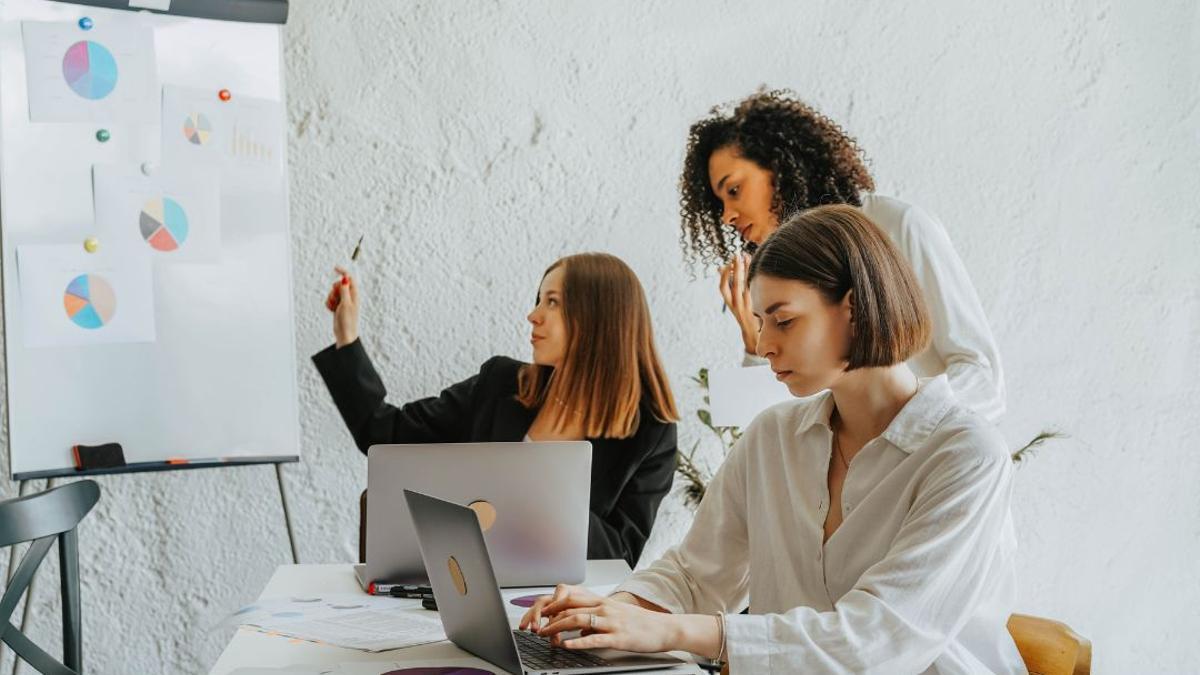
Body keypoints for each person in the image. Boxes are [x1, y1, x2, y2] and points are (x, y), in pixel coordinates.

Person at [521, 206, 1025, 674]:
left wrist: (671, 630)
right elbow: (698, 575)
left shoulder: (965, 456)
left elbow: (876, 642)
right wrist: (612, 610)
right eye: (760, 323)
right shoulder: (773, 437)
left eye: (783, 320)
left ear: (854, 307)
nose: (763, 345)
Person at [312, 252, 680, 567]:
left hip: (556, 610)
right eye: (539, 299)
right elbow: (383, 434)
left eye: (552, 302)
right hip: (462, 586)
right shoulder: (500, 384)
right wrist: (347, 337)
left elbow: (621, 557)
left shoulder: (651, 433)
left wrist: (540, 488)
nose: (533, 315)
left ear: (600, 319)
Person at [680, 89, 1006, 421]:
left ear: (780, 167)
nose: (726, 216)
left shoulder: (899, 227)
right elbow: (771, 428)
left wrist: (895, 430)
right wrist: (755, 339)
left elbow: (983, 379)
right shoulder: (780, 277)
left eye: (734, 190)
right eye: (719, 203)